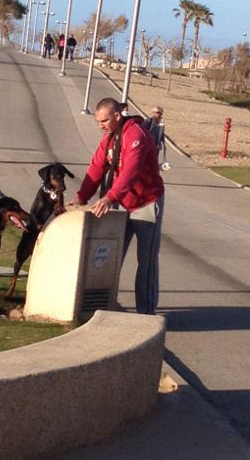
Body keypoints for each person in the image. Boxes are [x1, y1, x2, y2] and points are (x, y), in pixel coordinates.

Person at [72, 98, 165, 315]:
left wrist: (109, 197)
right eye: (98, 121)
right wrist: (81, 197)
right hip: (122, 203)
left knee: (146, 260)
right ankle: (104, 305)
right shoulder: (110, 138)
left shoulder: (136, 135)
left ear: (116, 116)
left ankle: (146, 313)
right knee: (111, 257)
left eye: (104, 121)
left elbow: (131, 171)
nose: (100, 125)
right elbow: (96, 167)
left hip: (146, 202)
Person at [144, 106, 171, 171]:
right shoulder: (148, 121)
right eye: (153, 112)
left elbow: (161, 134)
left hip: (156, 147)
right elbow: (143, 132)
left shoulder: (162, 123)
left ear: (161, 114)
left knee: (153, 164)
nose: (155, 114)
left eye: (157, 112)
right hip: (147, 146)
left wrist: (163, 144)